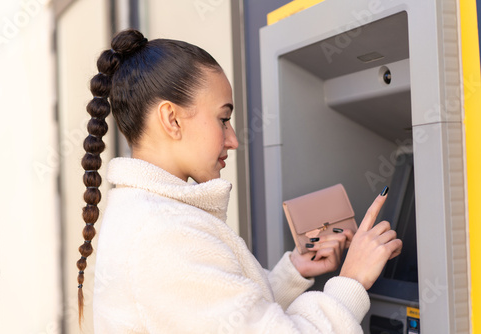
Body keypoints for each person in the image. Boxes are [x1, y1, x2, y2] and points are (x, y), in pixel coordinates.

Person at [76, 29, 402, 333]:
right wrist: (352, 279)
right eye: (223, 119)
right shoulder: (163, 234)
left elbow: (217, 316)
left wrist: (292, 275)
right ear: (171, 119)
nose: (233, 139)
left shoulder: (147, 216)